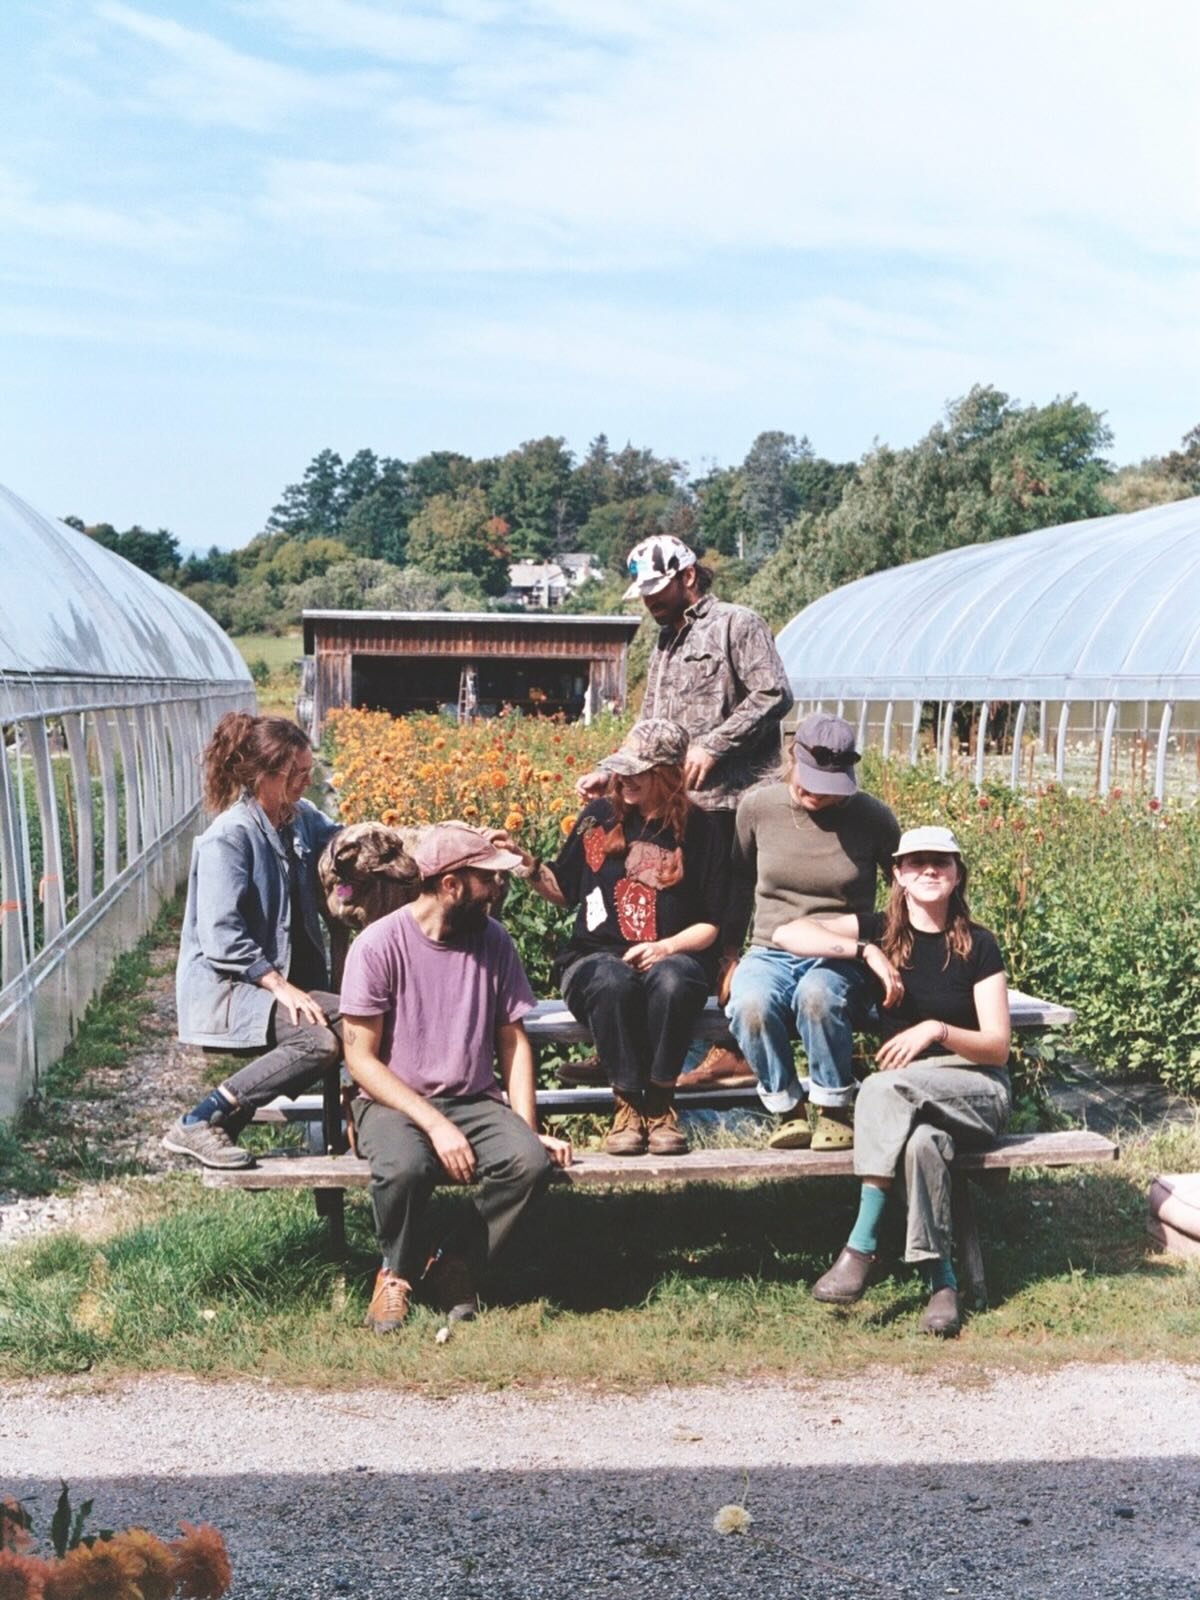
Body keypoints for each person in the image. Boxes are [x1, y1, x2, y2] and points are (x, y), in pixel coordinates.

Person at [571, 533, 792, 1090]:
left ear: (688, 575)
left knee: (724, 933)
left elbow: (772, 694)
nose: (648, 600)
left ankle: (732, 1047)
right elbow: (649, 725)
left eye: (657, 587)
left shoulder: (737, 624)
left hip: (730, 803)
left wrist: (715, 744)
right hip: (676, 807)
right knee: (644, 915)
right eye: (643, 590)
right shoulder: (665, 642)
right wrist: (615, 771)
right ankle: (622, 1045)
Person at [777, 826, 1011, 1337]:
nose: (930, 870)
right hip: (912, 1103)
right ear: (899, 875)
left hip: (975, 1090)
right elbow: (787, 934)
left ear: (957, 875)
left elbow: (997, 1046)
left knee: (881, 1087)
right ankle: (942, 1283)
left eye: (942, 862)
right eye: (917, 862)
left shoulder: (981, 945)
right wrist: (863, 951)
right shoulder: (882, 931)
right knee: (923, 1147)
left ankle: (861, 1245)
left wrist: (938, 1029)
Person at [340, 823, 572, 1333]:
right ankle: (395, 1273)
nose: (498, 889)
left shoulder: (493, 940)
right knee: (405, 1167)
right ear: (450, 885)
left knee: (528, 1165)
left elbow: (513, 1041)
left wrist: (526, 1126)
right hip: (391, 1101)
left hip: (472, 1097)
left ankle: (455, 1260)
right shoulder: (378, 945)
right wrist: (435, 1125)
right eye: (488, 879)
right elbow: (361, 1062)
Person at [507, 718, 729, 1157]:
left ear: (667, 774)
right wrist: (528, 864)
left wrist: (666, 946)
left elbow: (712, 923)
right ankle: (626, 1103)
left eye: (637, 772)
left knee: (674, 979)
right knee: (611, 979)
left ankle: (661, 1103)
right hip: (592, 958)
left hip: (673, 955)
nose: (624, 780)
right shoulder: (598, 818)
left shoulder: (702, 829)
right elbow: (564, 890)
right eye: (622, 771)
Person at [164, 713, 340, 1170]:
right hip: (231, 986)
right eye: (295, 774)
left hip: (271, 982)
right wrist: (279, 984)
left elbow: (339, 840)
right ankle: (200, 1119)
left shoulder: (298, 819)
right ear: (263, 775)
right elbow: (221, 937)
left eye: (308, 771)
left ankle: (355, 1127)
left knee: (362, 1015)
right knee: (318, 1042)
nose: (306, 781)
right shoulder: (230, 835)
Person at [725, 712, 900, 1150]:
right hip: (770, 948)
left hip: (841, 952)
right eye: (808, 781)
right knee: (750, 1004)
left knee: (818, 997)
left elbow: (905, 894)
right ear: (791, 757)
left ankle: (835, 1107)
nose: (816, 794)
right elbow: (738, 883)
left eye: (829, 787)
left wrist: (880, 948)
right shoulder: (758, 808)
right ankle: (789, 1110)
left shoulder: (873, 818)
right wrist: (728, 957)